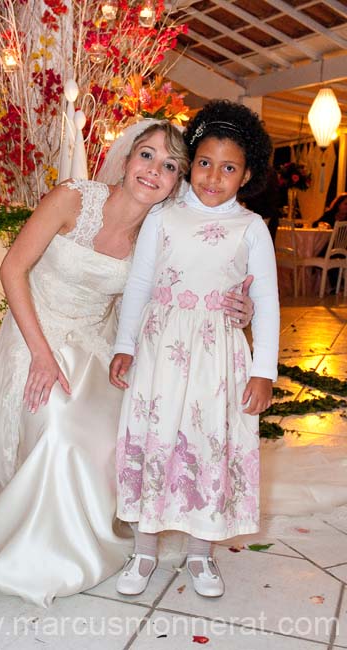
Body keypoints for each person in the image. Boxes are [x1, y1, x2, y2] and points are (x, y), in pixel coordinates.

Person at [0, 119, 254, 607]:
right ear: (127, 156)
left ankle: (96, 537)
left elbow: (197, 288)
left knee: (121, 431)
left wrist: (246, 310)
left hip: (96, 341)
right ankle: (44, 550)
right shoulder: (73, 199)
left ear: (177, 184)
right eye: (147, 155)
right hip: (34, 330)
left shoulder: (161, 235)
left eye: (170, 165)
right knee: (60, 428)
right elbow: (13, 269)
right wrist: (41, 356)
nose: (154, 170)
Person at [109, 100, 280, 598]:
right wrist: (125, 344)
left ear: (246, 175)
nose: (212, 177)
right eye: (204, 163)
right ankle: (143, 550)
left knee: (209, 444)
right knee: (155, 435)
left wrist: (263, 369)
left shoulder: (251, 229)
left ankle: (201, 555)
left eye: (228, 168)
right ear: (190, 165)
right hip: (160, 351)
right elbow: (140, 283)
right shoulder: (163, 217)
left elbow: (266, 301)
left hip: (217, 358)